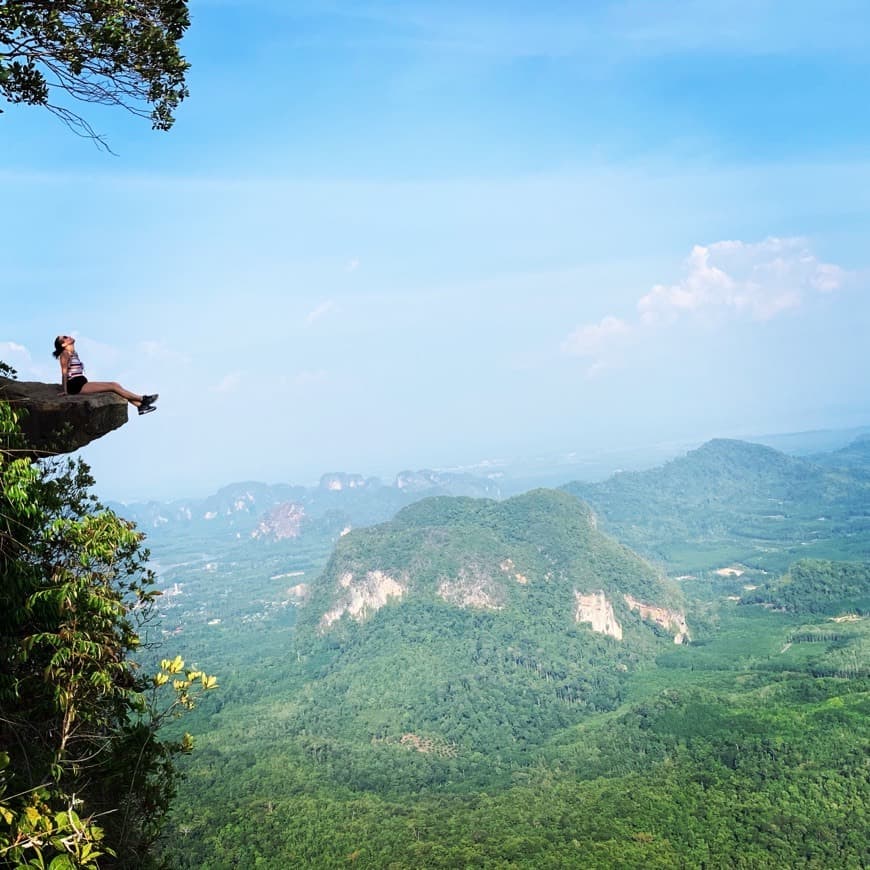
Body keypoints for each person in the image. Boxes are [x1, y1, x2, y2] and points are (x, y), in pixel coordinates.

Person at [53, 335, 158, 415]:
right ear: (63, 345)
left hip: (81, 381)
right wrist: (65, 391)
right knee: (112, 387)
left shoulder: (73, 353)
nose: (69, 336)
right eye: (65, 337)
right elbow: (64, 373)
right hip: (75, 385)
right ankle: (142, 399)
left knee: (115, 384)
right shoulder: (64, 354)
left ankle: (140, 406)